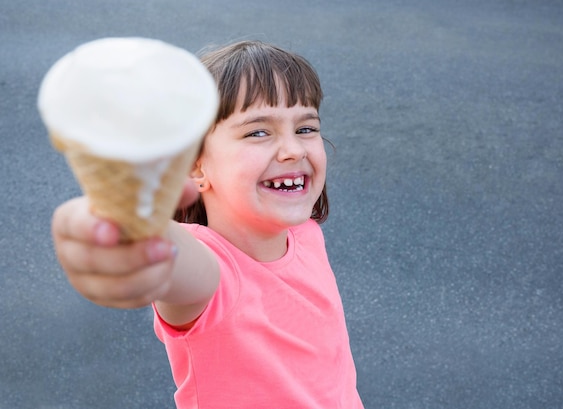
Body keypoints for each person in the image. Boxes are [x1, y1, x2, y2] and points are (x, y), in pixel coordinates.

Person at [51, 40, 364, 409]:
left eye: (306, 128)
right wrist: (130, 225)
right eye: (258, 132)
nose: (293, 149)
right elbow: (176, 262)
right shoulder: (212, 271)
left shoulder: (304, 233)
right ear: (196, 166)